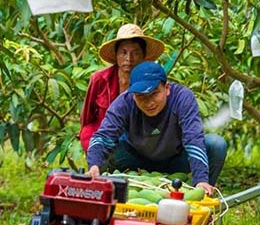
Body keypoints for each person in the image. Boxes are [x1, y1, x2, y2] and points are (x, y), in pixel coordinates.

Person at [86, 61, 227, 195]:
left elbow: (193, 138)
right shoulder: (124, 102)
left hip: (175, 159)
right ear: (133, 95)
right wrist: (93, 166)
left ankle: (198, 193)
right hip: (134, 159)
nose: (149, 103)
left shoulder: (182, 98)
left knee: (216, 145)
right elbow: (102, 137)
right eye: (141, 96)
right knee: (103, 148)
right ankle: (107, 193)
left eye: (154, 93)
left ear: (166, 88)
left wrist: (201, 179)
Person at [79, 24, 164, 153]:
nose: (129, 59)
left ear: (143, 56)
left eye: (135, 53)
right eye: (123, 53)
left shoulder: (152, 81)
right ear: (116, 55)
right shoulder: (99, 79)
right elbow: (87, 118)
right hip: (104, 139)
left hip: (137, 142)